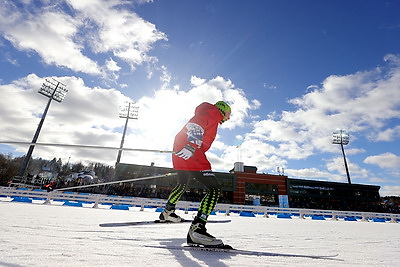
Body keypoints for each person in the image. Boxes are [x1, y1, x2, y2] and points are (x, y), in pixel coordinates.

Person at [159, 101, 231, 247]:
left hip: (182, 152)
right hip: (191, 152)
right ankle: (198, 229)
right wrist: (191, 145)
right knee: (214, 189)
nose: (228, 118)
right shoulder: (213, 113)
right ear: (222, 110)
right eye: (228, 114)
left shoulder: (209, 113)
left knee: (182, 185)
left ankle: (168, 211)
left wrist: (189, 146)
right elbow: (195, 124)